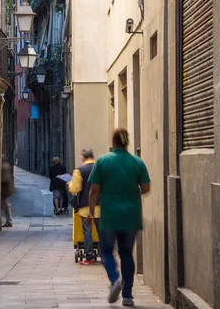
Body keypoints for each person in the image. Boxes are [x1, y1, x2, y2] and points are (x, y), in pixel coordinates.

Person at [88, 128, 151, 306]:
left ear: (113, 141)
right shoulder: (137, 162)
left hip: (109, 216)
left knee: (106, 250)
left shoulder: (102, 161)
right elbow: (146, 188)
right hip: (131, 216)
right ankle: (127, 296)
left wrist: (91, 211)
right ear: (127, 142)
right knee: (126, 254)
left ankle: (115, 278)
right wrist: (133, 191)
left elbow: (94, 189)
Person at [68, 148, 100, 265]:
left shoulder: (79, 171)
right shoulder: (100, 169)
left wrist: (70, 184)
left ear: (82, 158)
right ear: (93, 156)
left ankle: (90, 257)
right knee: (102, 231)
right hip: (100, 206)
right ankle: (105, 255)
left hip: (85, 207)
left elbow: (75, 189)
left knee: (87, 231)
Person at [0, 155, 16, 227]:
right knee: (5, 204)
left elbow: (5, 178)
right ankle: (8, 219)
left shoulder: (4, 166)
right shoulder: (7, 165)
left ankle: (8, 220)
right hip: (7, 188)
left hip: (5, 189)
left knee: (5, 204)